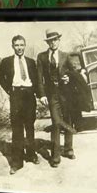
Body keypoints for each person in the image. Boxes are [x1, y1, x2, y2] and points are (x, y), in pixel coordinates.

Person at [0, 35, 39, 174]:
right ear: (12, 46)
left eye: (22, 45)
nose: (19, 48)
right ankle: (17, 162)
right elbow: (0, 77)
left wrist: (39, 94)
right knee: (17, 129)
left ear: (25, 46)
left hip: (29, 96)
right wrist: (9, 90)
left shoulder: (31, 62)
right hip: (16, 95)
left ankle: (32, 155)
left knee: (30, 127)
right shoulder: (6, 62)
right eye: (17, 45)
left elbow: (37, 80)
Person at [37, 29, 77, 168]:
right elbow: (39, 78)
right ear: (47, 42)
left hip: (66, 94)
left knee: (68, 121)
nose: (53, 42)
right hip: (52, 95)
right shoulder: (41, 57)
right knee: (56, 122)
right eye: (50, 40)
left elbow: (73, 73)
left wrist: (69, 77)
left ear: (59, 40)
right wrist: (41, 94)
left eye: (55, 39)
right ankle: (55, 156)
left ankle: (68, 149)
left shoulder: (65, 56)